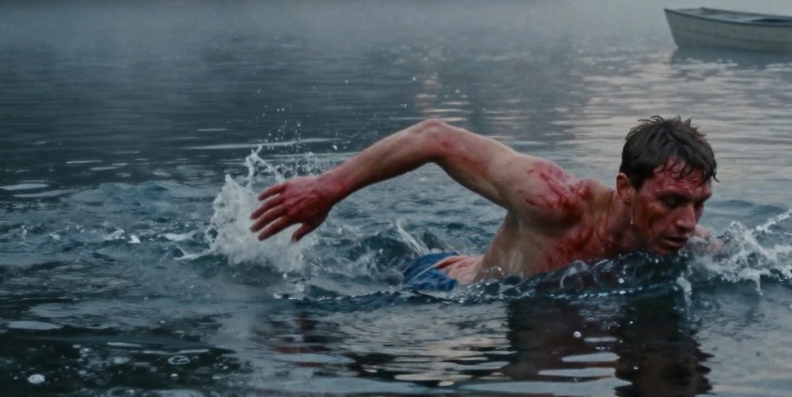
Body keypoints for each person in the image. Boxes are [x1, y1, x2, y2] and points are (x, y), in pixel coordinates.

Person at [250, 116, 716, 289]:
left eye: (699, 204)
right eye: (672, 201)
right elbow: (435, 138)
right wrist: (327, 188)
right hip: (438, 287)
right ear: (626, 188)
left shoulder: (688, 242)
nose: (686, 221)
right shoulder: (554, 200)